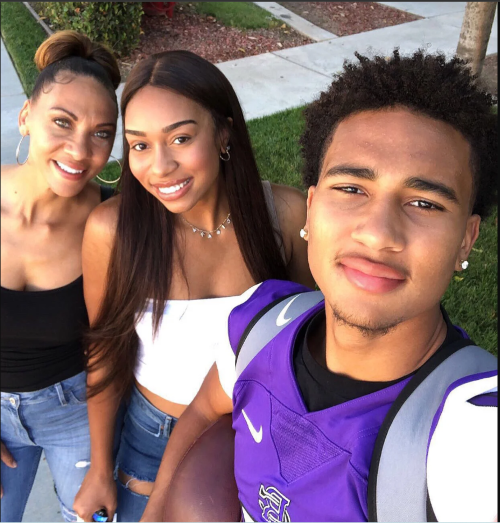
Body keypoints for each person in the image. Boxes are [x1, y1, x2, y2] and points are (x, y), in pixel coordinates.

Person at [141, 49, 498, 522]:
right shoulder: (261, 323)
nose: (378, 233)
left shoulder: (473, 432)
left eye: (425, 203)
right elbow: (205, 411)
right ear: (310, 209)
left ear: (465, 240)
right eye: (351, 189)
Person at [73, 50, 314, 522]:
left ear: (223, 132)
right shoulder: (112, 230)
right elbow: (104, 353)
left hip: (258, 434)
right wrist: (100, 467)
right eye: (140, 145)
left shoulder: (284, 217)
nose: (159, 167)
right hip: (152, 436)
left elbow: (309, 341)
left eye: (180, 138)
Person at [1, 31, 121, 522]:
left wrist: (100, 466)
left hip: (75, 411)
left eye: (100, 133)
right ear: (26, 116)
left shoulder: (111, 224)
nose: (79, 150)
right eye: (62, 122)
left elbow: (107, 348)